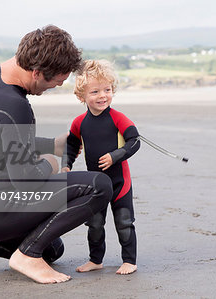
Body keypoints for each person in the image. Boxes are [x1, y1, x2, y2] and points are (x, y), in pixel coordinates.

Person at [0, 25, 113, 284]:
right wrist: (51, 164)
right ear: (36, 72)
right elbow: (25, 179)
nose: (53, 87)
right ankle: (28, 255)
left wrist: (53, 144)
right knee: (99, 186)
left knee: (53, 249)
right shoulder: (15, 105)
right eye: (54, 82)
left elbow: (0, 141)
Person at [62, 60, 140, 275]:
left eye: (107, 90)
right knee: (94, 224)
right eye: (95, 91)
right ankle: (96, 260)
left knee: (124, 222)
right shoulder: (79, 122)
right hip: (96, 184)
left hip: (119, 182)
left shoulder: (118, 118)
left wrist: (115, 156)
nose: (102, 95)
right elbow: (71, 145)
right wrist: (66, 165)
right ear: (81, 96)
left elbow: (135, 141)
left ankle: (129, 260)